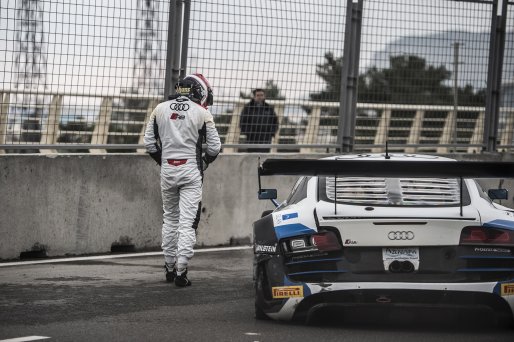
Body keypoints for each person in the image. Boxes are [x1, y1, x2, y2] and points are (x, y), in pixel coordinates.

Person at [144, 73, 221, 287]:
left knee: (170, 218)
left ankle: (169, 268)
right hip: (191, 171)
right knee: (187, 223)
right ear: (199, 91)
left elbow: (149, 144)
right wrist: (204, 162)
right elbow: (215, 147)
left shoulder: (159, 109)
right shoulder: (202, 113)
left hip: (168, 170)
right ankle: (181, 272)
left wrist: (165, 162)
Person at [239, 88, 278, 152]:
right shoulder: (248, 108)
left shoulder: (269, 108)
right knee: (251, 158)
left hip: (266, 139)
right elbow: (242, 122)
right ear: (254, 96)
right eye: (258, 95)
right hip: (252, 139)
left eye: (261, 95)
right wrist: (249, 133)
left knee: (264, 158)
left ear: (264, 96)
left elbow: (275, 122)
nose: (260, 97)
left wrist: (271, 133)